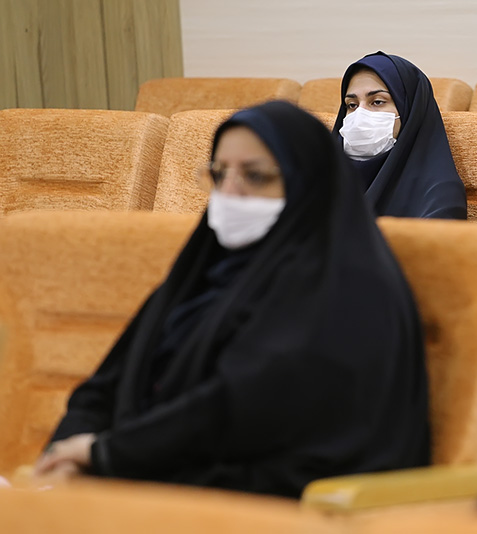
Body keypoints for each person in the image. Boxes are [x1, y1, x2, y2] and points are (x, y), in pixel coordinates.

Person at [33, 101, 431, 498]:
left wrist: (104, 454)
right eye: (219, 174)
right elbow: (104, 385)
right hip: (155, 475)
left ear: (308, 183)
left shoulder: (347, 285)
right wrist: (64, 457)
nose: (229, 192)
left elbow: (241, 407)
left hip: (277, 500)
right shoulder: (203, 270)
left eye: (255, 176)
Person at [334, 51, 467, 219]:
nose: (360, 115)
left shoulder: (440, 195)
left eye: (377, 102)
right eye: (352, 105)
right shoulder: (325, 177)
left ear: (410, 111)